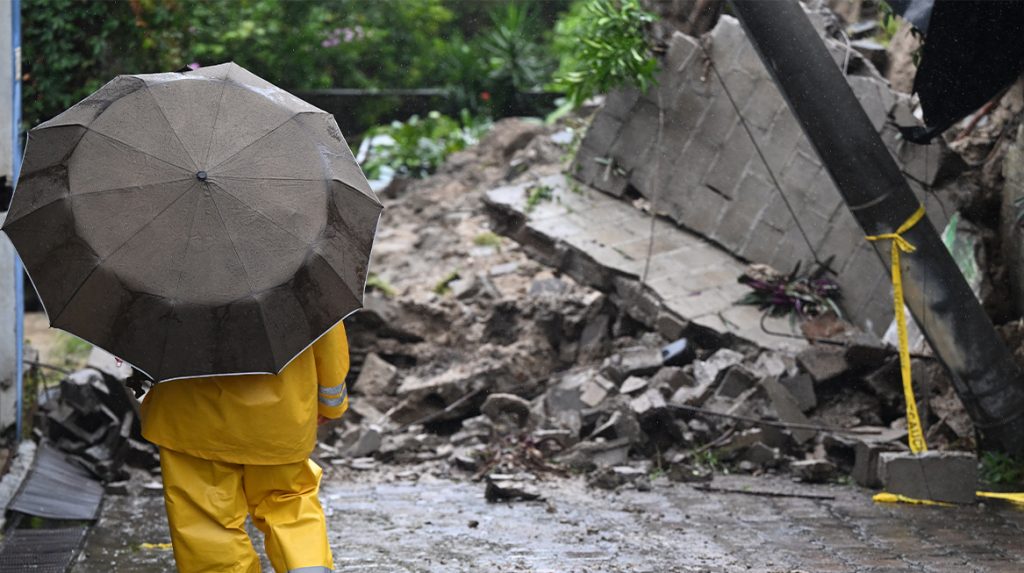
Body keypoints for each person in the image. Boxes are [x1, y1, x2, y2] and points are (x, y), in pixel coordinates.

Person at [140, 322, 351, 573]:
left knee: (207, 521)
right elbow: (327, 335)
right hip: (280, 415)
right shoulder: (301, 282)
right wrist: (331, 404)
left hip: (191, 417)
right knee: (289, 503)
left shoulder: (167, 283)